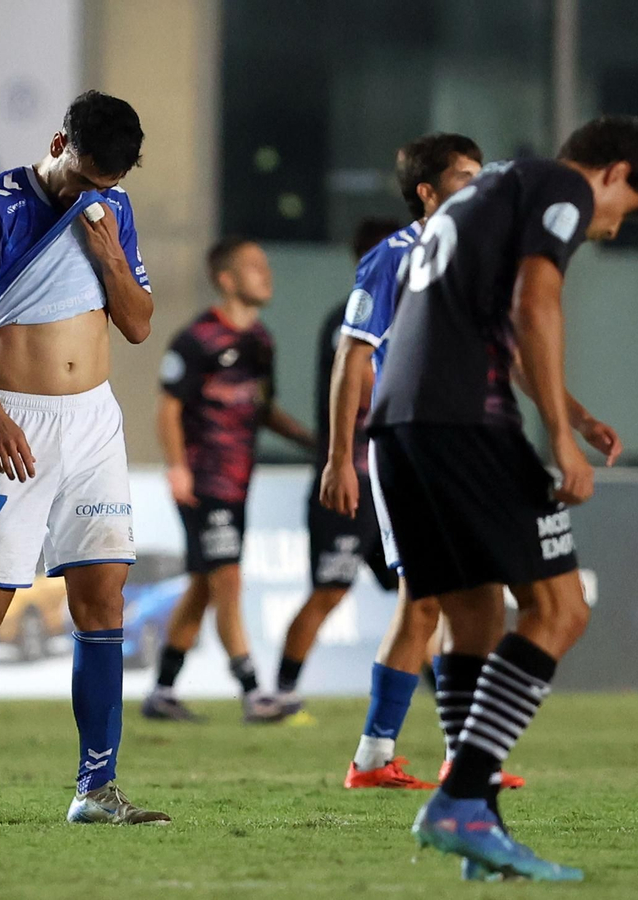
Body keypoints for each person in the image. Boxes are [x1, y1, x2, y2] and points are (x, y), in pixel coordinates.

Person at [370, 115, 638, 880]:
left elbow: (488, 320)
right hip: (467, 420)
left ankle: (479, 823)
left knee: (473, 615)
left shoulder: (489, 188)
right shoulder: (561, 183)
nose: (610, 228)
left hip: (400, 422)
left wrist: (573, 408)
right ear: (614, 172)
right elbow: (537, 304)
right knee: (561, 610)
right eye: (621, 211)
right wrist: (558, 438)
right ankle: (462, 800)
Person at [0, 90, 169, 826]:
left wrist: (113, 258)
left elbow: (141, 325)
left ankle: (96, 789)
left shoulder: (112, 210)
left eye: (109, 186)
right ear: (59, 142)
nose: (95, 196)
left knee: (103, 599)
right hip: (14, 422)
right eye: (86, 179)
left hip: (93, 425)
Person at [319, 135, 508, 791]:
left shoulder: (475, 258)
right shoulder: (392, 256)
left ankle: (452, 756)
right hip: (411, 452)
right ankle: (380, 758)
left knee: (462, 606)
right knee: (426, 603)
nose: (477, 189)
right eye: (464, 178)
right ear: (427, 192)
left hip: (464, 451)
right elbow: (353, 355)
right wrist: (342, 457)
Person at [142, 237, 317, 724]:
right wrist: (177, 466)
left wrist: (312, 441)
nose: (267, 274)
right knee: (227, 579)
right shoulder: (197, 340)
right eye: (254, 267)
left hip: (239, 483)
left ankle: (161, 692)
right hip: (202, 481)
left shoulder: (260, 342)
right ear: (226, 280)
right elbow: (168, 407)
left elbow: (261, 409)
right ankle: (253, 690)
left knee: (202, 584)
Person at [269, 217, 403, 723]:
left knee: (422, 593)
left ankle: (447, 701)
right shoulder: (355, 318)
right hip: (353, 481)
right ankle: (278, 695)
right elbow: (363, 384)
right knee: (328, 592)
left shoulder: (394, 312)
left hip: (388, 483)